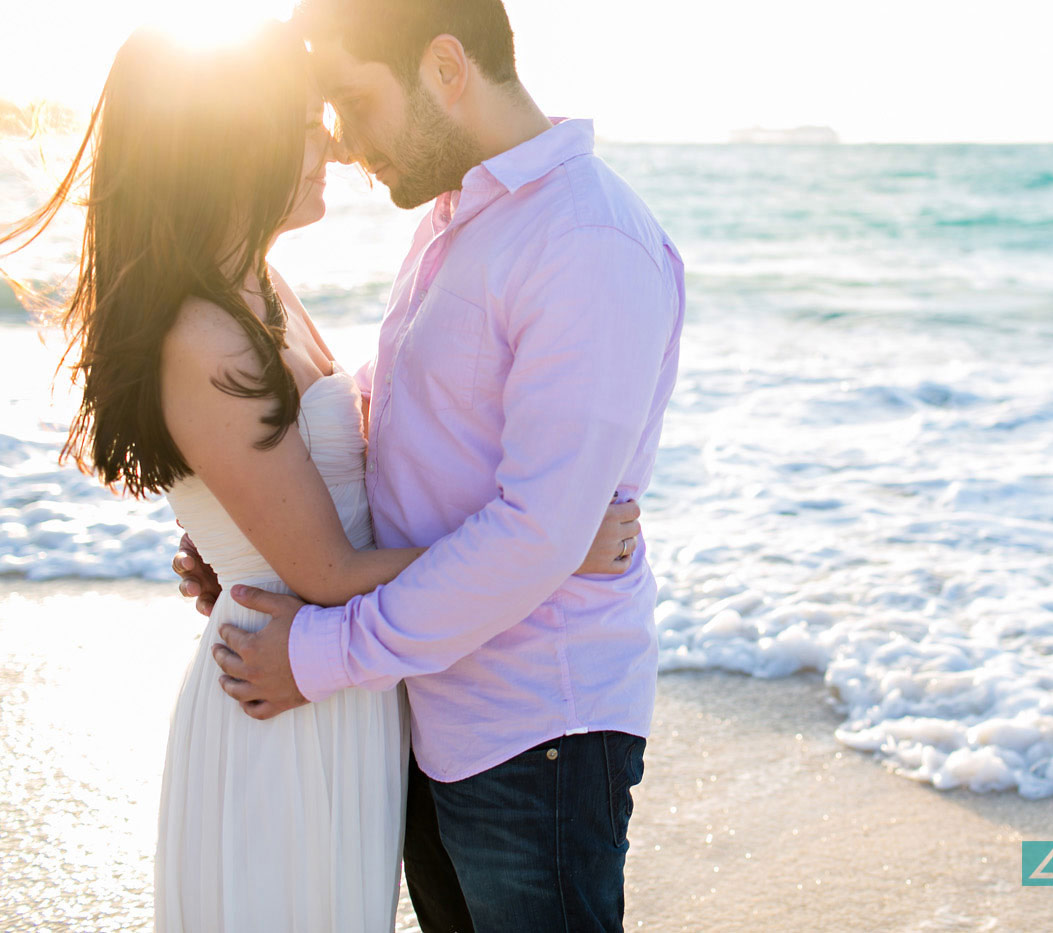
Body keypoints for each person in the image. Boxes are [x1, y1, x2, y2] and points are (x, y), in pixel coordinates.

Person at [2, 19, 642, 933]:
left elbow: (347, 459)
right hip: (287, 694)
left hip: (344, 686)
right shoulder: (208, 329)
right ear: (236, 144)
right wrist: (559, 548)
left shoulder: (260, 286)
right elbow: (328, 570)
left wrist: (242, 539)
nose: (334, 145)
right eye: (310, 122)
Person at [183, 1, 686, 930]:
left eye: (351, 100)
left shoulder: (585, 243)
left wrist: (318, 655)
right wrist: (252, 530)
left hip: (537, 730)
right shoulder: (463, 218)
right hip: (432, 710)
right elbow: (397, 416)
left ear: (445, 68)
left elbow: (538, 533)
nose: (338, 140)